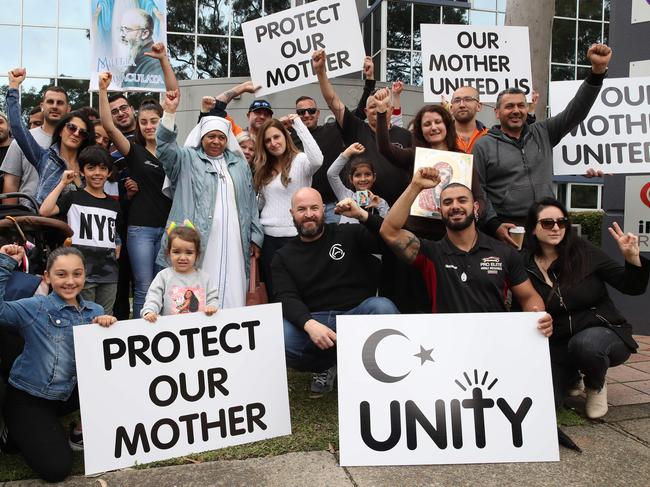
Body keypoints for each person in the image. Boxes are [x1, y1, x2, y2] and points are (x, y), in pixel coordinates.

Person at [378, 168, 553, 336]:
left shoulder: (504, 252)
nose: (455, 206)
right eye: (447, 202)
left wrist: (538, 319)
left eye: (462, 200)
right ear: (440, 212)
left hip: (495, 345)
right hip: (448, 345)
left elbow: (529, 297)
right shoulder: (430, 252)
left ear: (475, 207)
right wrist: (415, 186)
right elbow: (389, 231)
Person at [473, 43, 612, 247]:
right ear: (496, 112)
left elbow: (577, 111)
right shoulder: (483, 144)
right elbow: (479, 190)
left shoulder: (544, 131)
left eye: (521, 105)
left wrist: (597, 72)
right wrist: (494, 224)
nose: (516, 110)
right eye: (509, 106)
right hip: (508, 228)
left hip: (547, 224)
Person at [522, 198, 649, 418]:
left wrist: (632, 258)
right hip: (558, 341)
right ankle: (571, 375)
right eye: (547, 223)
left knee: (586, 346)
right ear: (533, 228)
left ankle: (595, 384)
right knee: (546, 402)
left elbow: (631, 287)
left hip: (603, 331)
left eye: (561, 222)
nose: (555, 228)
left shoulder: (585, 252)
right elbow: (519, 302)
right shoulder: (524, 263)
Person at [0, 245, 116, 483]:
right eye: (61, 274)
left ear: (85, 275)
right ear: (47, 277)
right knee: (56, 469)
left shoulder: (95, 310)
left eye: (77, 273)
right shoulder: (35, 307)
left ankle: (77, 431)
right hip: (29, 397)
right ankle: (11, 433)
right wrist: (4, 263)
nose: (70, 281)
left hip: (67, 394)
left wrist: (108, 326)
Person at [272, 187, 399, 396]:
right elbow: (285, 297)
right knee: (279, 334)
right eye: (301, 209)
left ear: (323, 209)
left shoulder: (349, 233)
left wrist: (363, 216)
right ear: (292, 213)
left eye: (314, 207)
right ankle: (326, 365)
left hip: (356, 314)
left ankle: (373, 372)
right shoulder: (282, 256)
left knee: (382, 307)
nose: (309, 214)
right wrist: (309, 324)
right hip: (316, 324)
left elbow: (389, 242)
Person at [156, 82, 263, 309]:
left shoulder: (239, 164)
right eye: (211, 136)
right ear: (202, 137)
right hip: (200, 240)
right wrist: (169, 113)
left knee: (234, 291)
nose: (216, 141)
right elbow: (165, 149)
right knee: (194, 297)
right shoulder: (186, 159)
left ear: (227, 140)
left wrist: (255, 235)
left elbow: (250, 202)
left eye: (221, 137)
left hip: (235, 240)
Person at [99, 63, 172, 319]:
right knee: (143, 286)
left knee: (163, 286)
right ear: (138, 125)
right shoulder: (134, 151)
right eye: (144, 122)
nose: (149, 126)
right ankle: (142, 333)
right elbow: (108, 126)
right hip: (140, 229)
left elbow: (174, 95)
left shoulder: (173, 152)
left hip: (168, 229)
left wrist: (163, 61)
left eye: (154, 121)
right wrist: (102, 89)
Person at [312, 49, 412, 207]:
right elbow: (333, 102)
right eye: (372, 106)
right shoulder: (356, 129)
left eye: (383, 105)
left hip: (397, 211)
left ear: (392, 110)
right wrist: (320, 72)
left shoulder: (406, 136)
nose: (377, 109)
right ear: (365, 112)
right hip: (361, 211)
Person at [292, 56, 377, 223]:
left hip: (333, 205)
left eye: (311, 110)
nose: (306, 115)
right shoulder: (289, 140)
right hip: (305, 207)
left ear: (318, 113)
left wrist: (369, 82)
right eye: (301, 112)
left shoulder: (333, 130)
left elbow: (358, 113)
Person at [39, 147, 122, 315]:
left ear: (108, 172)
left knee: (106, 317)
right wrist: (62, 183)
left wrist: (117, 243)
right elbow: (44, 211)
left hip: (109, 272)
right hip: (81, 271)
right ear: (82, 171)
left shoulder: (114, 204)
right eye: (91, 168)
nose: (97, 173)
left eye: (102, 168)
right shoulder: (74, 197)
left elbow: (115, 231)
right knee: (83, 316)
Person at [254, 115, 323, 297]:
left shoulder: (300, 160)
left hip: (296, 237)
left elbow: (318, 160)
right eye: (267, 140)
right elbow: (261, 204)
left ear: (285, 136)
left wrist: (297, 123)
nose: (273, 143)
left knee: (302, 290)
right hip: (268, 239)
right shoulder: (264, 169)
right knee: (275, 291)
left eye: (276, 137)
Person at [6, 69, 94, 206]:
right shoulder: (45, 158)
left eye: (82, 132)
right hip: (43, 223)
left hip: (76, 226)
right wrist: (13, 87)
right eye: (71, 128)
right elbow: (17, 126)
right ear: (61, 131)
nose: (76, 133)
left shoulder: (89, 166)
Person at [1, 86, 70, 206]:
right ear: (42, 106)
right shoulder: (23, 140)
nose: (54, 106)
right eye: (50, 101)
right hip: (29, 214)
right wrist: (12, 218)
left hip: (65, 216)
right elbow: (11, 183)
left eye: (60, 103)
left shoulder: (75, 141)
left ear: (68, 108)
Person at [141, 226, 218, 321]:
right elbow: (153, 297)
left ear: (197, 254)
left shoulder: (205, 278)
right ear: (169, 253)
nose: (182, 257)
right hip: (172, 330)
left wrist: (212, 306)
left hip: (199, 328)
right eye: (177, 252)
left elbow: (213, 298)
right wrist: (150, 311)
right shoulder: (163, 276)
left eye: (189, 253)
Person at [326, 142, 389, 224]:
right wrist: (347, 153)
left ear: (374, 177)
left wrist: (379, 205)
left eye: (367, 174)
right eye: (358, 175)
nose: (363, 179)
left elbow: (387, 227)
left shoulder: (380, 202)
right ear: (351, 179)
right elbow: (331, 174)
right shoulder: (346, 196)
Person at [120, 8, 164, 90]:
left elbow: (152, 92)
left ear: (144, 33)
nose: (122, 34)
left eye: (127, 30)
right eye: (121, 29)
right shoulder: (137, 57)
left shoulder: (153, 63)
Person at [448, 86, 488, 154]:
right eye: (457, 100)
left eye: (468, 99)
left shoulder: (489, 136)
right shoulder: (442, 135)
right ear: (451, 108)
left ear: (478, 106)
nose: (462, 105)